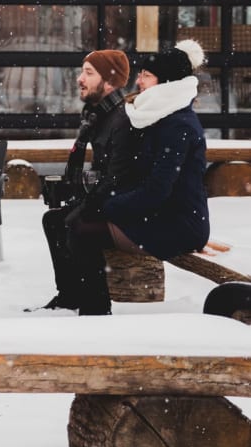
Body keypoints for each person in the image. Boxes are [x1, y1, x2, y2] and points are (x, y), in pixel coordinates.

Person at [55, 39, 210, 316]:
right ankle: (75, 299)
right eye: (140, 74)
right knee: (74, 220)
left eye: (146, 76)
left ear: (167, 83)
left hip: (177, 224)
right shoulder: (155, 116)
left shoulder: (178, 126)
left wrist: (107, 206)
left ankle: (95, 311)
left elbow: (157, 190)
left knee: (83, 229)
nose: (138, 81)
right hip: (159, 213)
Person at [30, 49, 135, 312]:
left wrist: (86, 204)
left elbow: (118, 177)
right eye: (82, 71)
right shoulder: (99, 116)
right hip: (111, 197)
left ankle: (95, 307)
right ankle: (70, 296)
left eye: (89, 73)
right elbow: (101, 170)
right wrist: (71, 188)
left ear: (110, 81)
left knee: (77, 225)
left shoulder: (121, 120)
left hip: (127, 206)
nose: (80, 78)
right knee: (54, 221)